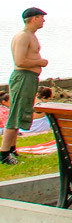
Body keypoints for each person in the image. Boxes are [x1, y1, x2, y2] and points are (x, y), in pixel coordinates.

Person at [2, 8, 49, 166]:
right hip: (22, 77)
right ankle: (4, 154)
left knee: (22, 114)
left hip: (30, 78)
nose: (43, 20)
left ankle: (12, 149)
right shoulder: (23, 36)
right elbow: (20, 61)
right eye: (41, 18)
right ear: (33, 18)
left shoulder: (31, 36)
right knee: (15, 115)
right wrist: (40, 62)